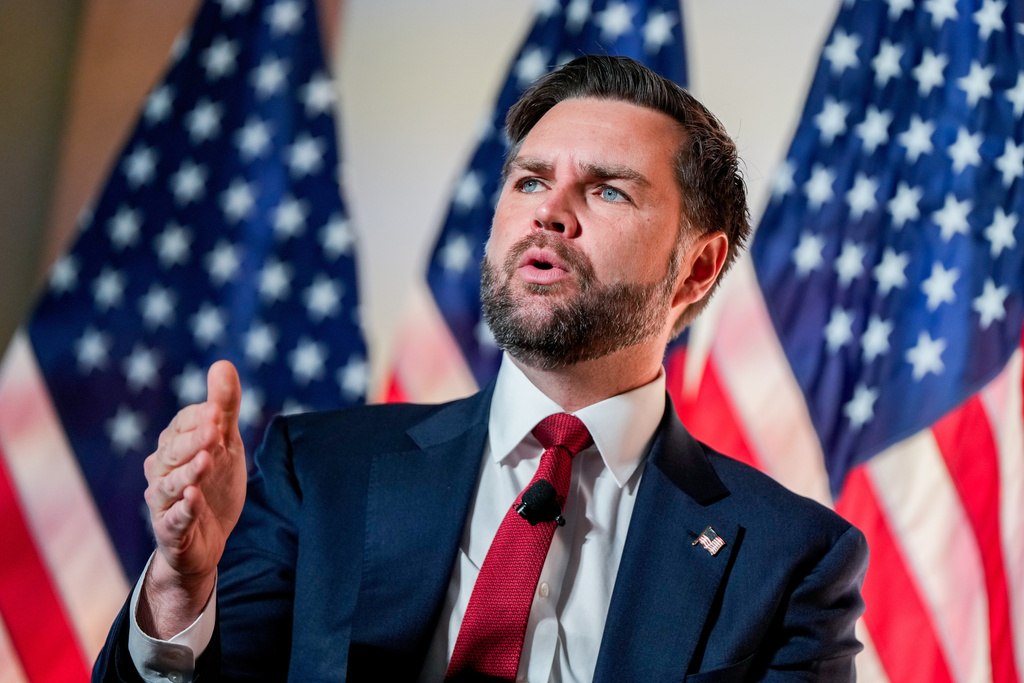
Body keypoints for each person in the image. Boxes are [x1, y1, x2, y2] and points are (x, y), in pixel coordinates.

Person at [94, 55, 867, 682]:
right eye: (530, 180)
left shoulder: (789, 559)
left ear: (695, 270)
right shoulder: (321, 472)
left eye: (605, 190)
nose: (549, 211)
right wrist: (179, 586)